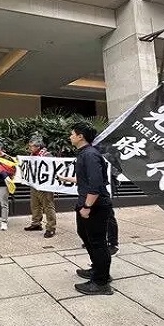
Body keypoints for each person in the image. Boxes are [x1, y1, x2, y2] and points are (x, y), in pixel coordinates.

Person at [69, 121, 114, 296]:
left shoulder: (90, 155)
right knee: (85, 235)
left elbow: (95, 185)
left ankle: (101, 282)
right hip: (86, 203)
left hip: (95, 206)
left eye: (72, 134)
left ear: (80, 136)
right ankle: (97, 269)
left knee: (97, 242)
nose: (70, 137)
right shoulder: (84, 154)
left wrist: (87, 207)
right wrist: (67, 179)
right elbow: (86, 179)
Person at [24, 138, 57, 238]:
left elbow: (52, 168)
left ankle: (51, 228)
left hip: (45, 186)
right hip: (35, 184)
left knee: (48, 206)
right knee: (35, 205)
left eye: (31, 146)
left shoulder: (47, 155)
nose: (30, 148)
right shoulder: (32, 156)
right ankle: (36, 223)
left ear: (38, 147)